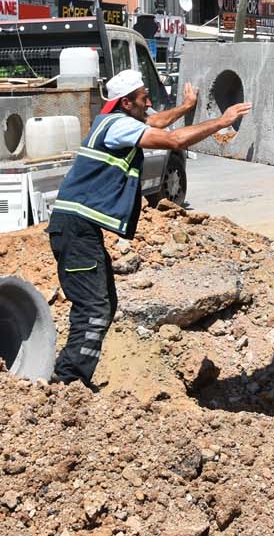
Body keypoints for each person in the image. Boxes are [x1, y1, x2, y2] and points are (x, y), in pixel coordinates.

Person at [48, 68, 251, 388]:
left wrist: (185, 107)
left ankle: (72, 377)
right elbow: (172, 140)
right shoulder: (117, 127)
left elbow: (156, 122)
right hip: (76, 231)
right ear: (126, 103)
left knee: (104, 304)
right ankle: (68, 380)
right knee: (95, 307)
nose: (149, 103)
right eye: (144, 98)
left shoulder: (112, 121)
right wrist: (221, 122)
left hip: (78, 228)